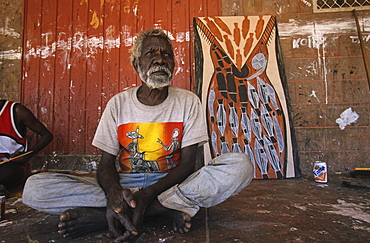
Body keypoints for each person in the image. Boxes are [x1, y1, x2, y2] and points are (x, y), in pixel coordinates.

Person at [22, 29, 254, 242]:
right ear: (136, 63)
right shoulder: (118, 104)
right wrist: (114, 193)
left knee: (240, 165)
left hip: (168, 186)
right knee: (35, 188)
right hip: (126, 187)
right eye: (150, 53)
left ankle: (111, 217)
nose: (160, 59)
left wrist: (147, 195)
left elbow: (187, 165)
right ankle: (158, 211)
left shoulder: (188, 101)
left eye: (166, 54)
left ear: (173, 64)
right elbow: (105, 164)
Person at [0, 100, 53, 197]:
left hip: (12, 164)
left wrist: (28, 155)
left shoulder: (17, 111)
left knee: (9, 171)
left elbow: (47, 135)